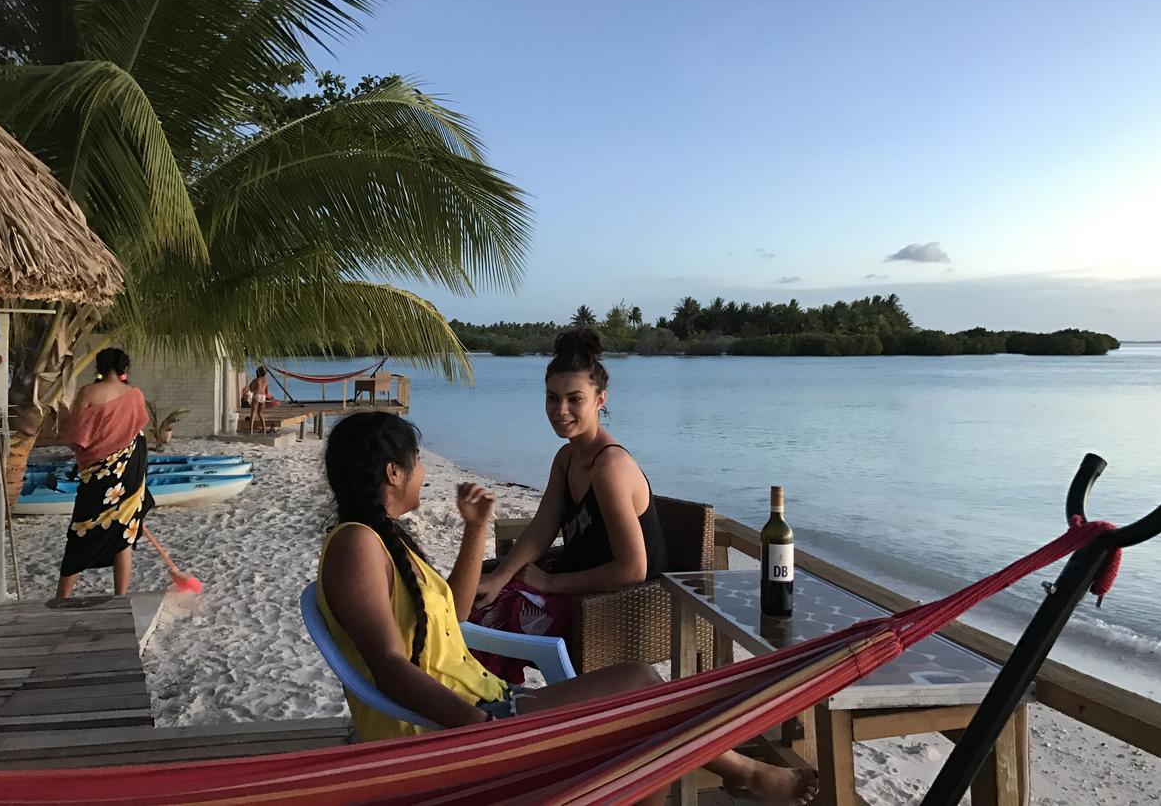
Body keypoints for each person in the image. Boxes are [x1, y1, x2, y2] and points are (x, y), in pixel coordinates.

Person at [317, 412, 817, 805]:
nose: (425, 473)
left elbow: (457, 616)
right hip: (452, 728)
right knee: (642, 715)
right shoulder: (357, 547)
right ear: (392, 472)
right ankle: (745, 774)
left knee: (641, 690)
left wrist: (476, 529)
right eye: (418, 460)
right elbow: (387, 664)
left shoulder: (382, 541)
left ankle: (743, 774)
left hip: (489, 703)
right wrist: (478, 730)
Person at [470, 328, 667, 680]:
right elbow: (543, 527)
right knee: (471, 594)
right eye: (552, 398)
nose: (560, 411)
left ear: (600, 400)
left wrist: (549, 584)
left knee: (492, 618)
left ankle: (512, 708)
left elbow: (633, 570)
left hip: (617, 602)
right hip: (575, 582)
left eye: (575, 399)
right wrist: (500, 577)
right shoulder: (566, 458)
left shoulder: (610, 467)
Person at [56, 347, 155, 599]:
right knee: (124, 533)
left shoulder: (88, 393)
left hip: (100, 474)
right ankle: (120, 595)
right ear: (125, 369)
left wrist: (64, 417)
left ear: (99, 368)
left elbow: (77, 438)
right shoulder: (135, 394)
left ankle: (63, 597)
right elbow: (137, 431)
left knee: (82, 528)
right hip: (130, 470)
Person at [248, 366, 269, 434]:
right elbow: (266, 392)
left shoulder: (255, 380)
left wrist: (250, 385)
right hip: (263, 397)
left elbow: (251, 390)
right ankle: (264, 430)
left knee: (253, 413)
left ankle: (251, 430)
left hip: (257, 396)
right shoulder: (266, 381)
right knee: (260, 413)